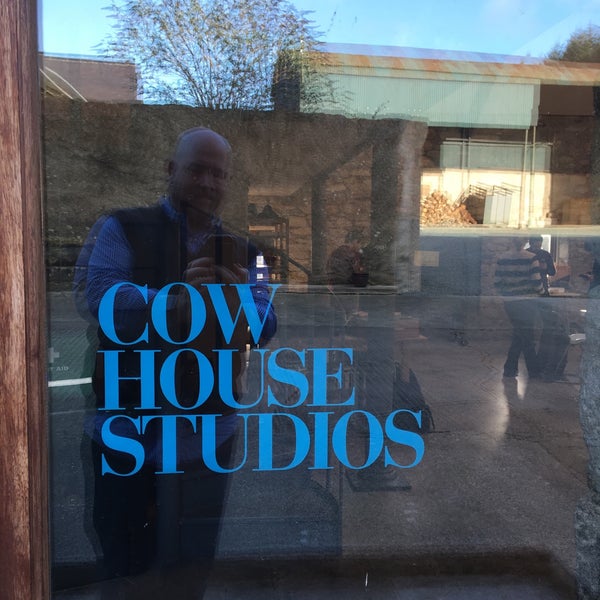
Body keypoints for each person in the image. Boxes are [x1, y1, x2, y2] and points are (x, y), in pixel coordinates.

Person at [80, 127, 277, 590]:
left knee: (191, 568)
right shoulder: (119, 226)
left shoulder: (246, 251)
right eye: (197, 170)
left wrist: (233, 302)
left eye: (218, 174)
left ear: (228, 182)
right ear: (171, 170)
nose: (208, 182)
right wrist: (178, 301)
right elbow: (97, 299)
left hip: (206, 436)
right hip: (129, 432)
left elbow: (266, 322)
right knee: (125, 565)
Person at [494, 237, 543, 378]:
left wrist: (506, 294)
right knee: (526, 335)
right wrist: (541, 293)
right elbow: (536, 281)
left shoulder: (502, 258)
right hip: (527, 301)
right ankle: (533, 370)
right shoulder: (531, 257)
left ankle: (510, 368)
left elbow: (497, 282)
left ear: (511, 241)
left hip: (510, 302)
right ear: (525, 241)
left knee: (520, 333)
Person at [527, 236, 568, 381]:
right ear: (531, 243)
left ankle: (542, 354)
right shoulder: (527, 255)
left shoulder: (546, 255)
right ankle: (532, 354)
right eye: (535, 244)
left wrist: (545, 268)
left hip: (543, 290)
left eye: (539, 244)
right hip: (530, 291)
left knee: (547, 322)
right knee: (529, 323)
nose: (537, 246)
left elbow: (552, 272)